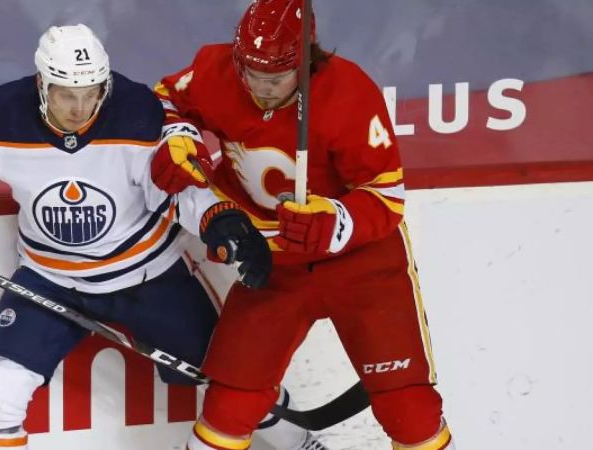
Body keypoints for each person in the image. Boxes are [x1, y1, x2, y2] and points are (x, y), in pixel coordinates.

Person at [0, 24, 275, 450]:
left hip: (150, 279)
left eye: (92, 92)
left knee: (238, 385)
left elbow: (178, 186)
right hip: (49, 279)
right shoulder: (1, 115)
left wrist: (218, 219)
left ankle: (302, 442)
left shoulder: (139, 114)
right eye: (66, 94)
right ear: (41, 84)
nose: (80, 107)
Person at [150, 1, 454, 449]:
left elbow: (387, 198)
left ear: (307, 61)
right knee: (230, 403)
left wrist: (336, 221)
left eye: (274, 79)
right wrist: (177, 136)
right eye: (249, 73)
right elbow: (162, 100)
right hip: (272, 261)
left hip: (361, 263)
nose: (259, 87)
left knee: (408, 408)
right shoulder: (214, 71)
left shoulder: (350, 95)